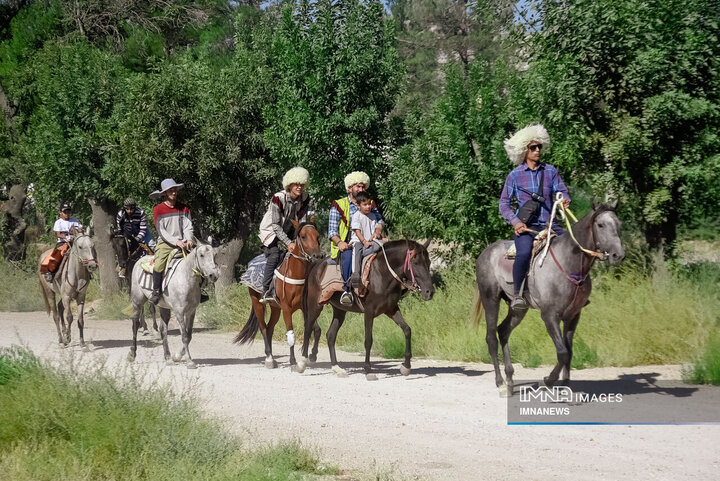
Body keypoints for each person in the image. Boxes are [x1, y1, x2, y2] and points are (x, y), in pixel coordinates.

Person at [499, 124, 570, 310]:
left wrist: (565, 200)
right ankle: (517, 295)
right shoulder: (514, 176)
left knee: (572, 247)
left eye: (539, 146)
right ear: (524, 150)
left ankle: (574, 290)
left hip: (550, 225)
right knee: (523, 253)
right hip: (527, 229)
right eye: (533, 147)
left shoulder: (550, 171)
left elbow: (561, 190)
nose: (538, 150)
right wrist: (515, 222)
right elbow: (504, 203)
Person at [328, 171, 385, 306]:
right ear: (349, 188)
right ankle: (347, 290)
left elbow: (380, 221)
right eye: (358, 186)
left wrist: (378, 230)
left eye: (363, 187)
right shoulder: (338, 204)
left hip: (370, 241)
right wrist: (340, 242)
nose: (361, 189)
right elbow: (331, 231)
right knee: (348, 256)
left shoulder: (369, 203)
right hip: (348, 244)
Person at [258, 167, 311, 304]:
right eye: (296, 184)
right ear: (289, 184)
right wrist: (289, 243)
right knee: (275, 255)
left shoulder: (305, 198)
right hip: (271, 231)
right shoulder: (278, 198)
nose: (299, 187)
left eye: (301, 184)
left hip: (289, 229)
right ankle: (266, 291)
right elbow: (275, 225)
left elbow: (302, 222)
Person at [148, 179, 194, 305]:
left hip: (184, 241)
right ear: (165, 193)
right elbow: (161, 231)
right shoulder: (158, 209)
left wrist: (189, 238)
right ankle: (156, 291)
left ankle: (199, 291)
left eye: (175, 190)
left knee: (199, 259)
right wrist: (176, 241)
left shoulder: (184, 208)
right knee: (158, 265)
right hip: (166, 242)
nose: (174, 192)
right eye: (171, 190)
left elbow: (188, 226)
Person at [349, 191, 385, 288]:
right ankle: (355, 274)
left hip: (371, 242)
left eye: (369, 204)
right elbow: (357, 231)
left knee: (382, 246)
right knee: (357, 252)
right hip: (359, 241)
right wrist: (364, 241)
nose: (368, 207)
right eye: (365, 205)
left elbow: (375, 229)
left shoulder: (373, 216)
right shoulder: (356, 216)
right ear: (358, 205)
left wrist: (378, 236)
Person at [41, 202, 83, 282]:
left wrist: (79, 230)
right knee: (58, 254)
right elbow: (58, 234)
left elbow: (80, 228)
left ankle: (87, 271)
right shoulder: (58, 222)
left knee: (84, 251)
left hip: (74, 242)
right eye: (65, 212)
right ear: (60, 212)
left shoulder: (74, 221)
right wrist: (67, 237)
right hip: (63, 242)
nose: (67, 214)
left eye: (69, 212)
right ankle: (50, 272)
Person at [115, 197, 153, 277]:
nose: (129, 211)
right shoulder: (120, 214)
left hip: (141, 231)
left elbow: (143, 228)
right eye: (127, 209)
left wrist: (137, 239)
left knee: (152, 245)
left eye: (131, 209)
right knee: (121, 247)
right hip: (127, 233)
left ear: (135, 207)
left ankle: (153, 264)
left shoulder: (141, 213)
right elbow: (119, 228)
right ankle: (121, 266)